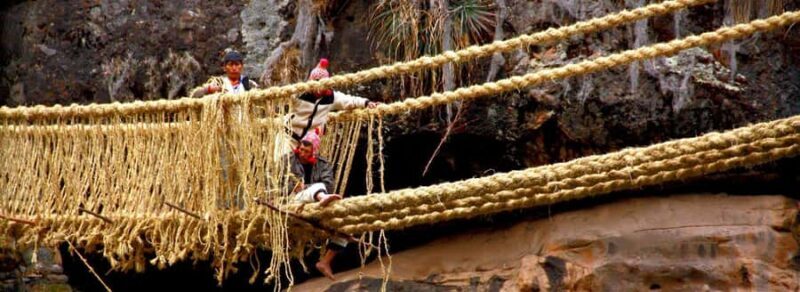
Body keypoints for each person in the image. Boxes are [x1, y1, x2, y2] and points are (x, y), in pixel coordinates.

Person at [288, 131, 345, 280]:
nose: (302, 153)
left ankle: (325, 262)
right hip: (294, 201)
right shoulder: (287, 160)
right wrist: (295, 188)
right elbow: (279, 184)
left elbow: (329, 185)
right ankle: (322, 197)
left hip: (316, 202)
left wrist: (305, 186)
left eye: (306, 151)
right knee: (317, 187)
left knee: (344, 223)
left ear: (314, 152)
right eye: (301, 149)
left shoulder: (323, 165)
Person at [288, 58, 379, 146]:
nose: (319, 87)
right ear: (310, 82)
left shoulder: (331, 97)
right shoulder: (299, 93)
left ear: (327, 84)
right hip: (289, 137)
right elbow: (283, 97)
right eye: (316, 82)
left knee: (305, 161)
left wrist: (366, 103)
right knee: (282, 159)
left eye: (323, 83)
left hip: (309, 144)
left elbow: (348, 100)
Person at [190, 50, 259, 98]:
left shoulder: (249, 84)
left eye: (237, 64)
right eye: (230, 65)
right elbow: (194, 96)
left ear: (242, 66)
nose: (234, 68)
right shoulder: (219, 83)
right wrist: (208, 90)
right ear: (224, 68)